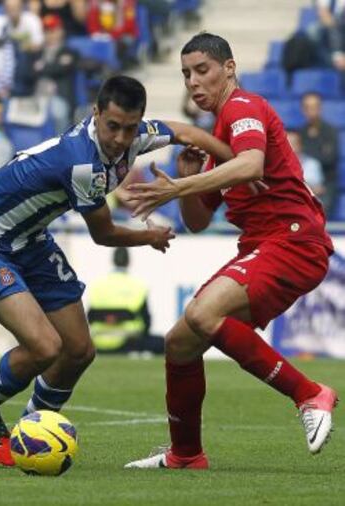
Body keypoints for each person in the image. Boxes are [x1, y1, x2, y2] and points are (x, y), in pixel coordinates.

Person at [0, 74, 232, 467]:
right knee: (46, 347)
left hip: (28, 240)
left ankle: (34, 426)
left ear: (140, 122)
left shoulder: (137, 136)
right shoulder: (82, 162)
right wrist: (148, 238)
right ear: (96, 113)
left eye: (129, 128)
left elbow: (185, 132)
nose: (119, 137)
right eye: (111, 126)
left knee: (79, 350)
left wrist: (239, 164)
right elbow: (104, 234)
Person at [124, 33, 338, 470]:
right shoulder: (213, 142)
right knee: (181, 341)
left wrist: (178, 186)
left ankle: (310, 394)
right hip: (265, 245)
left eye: (202, 70)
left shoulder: (242, 108)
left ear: (230, 69)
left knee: (202, 314)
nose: (193, 82)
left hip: (294, 239)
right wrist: (188, 179)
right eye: (186, 74)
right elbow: (200, 221)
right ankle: (186, 454)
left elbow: (251, 165)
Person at [87, 246, 164, 354]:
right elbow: (147, 321)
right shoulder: (138, 286)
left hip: (98, 342)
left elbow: (90, 317)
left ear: (112, 260)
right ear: (129, 261)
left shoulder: (97, 286)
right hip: (129, 343)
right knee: (163, 343)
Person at [299, 92, 339, 217]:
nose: (311, 111)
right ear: (303, 110)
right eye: (307, 108)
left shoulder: (330, 131)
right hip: (304, 183)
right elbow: (297, 158)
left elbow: (330, 158)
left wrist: (307, 151)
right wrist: (319, 150)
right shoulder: (301, 132)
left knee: (319, 211)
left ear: (320, 108)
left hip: (326, 184)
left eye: (314, 107)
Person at [287, 130, 325, 200]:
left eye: (293, 144)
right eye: (287, 144)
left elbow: (319, 190)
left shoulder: (313, 164)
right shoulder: (276, 166)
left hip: (308, 203)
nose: (290, 148)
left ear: (300, 146)